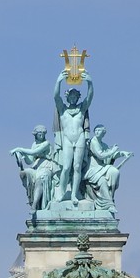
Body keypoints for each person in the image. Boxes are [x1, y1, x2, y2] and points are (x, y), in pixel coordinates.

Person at [53, 70, 94, 203]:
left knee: (77, 167)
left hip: (79, 137)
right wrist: (59, 81)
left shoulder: (81, 109)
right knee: (66, 167)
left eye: (75, 96)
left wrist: (90, 83)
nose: (73, 98)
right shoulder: (63, 109)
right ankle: (62, 192)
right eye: (71, 96)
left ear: (77, 98)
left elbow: (90, 97)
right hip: (67, 139)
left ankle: (74, 195)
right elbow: (55, 97)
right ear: (67, 97)